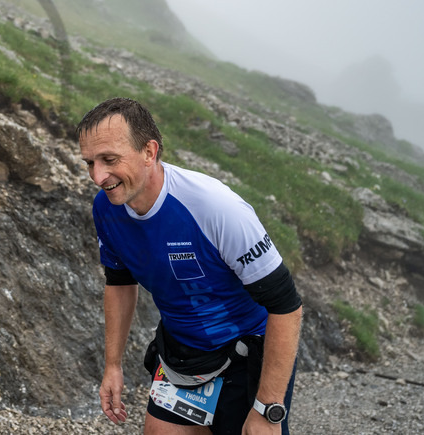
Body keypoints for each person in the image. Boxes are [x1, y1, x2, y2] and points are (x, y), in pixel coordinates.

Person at [76, 98, 303, 435]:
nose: (97, 176)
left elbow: (286, 306)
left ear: (149, 152)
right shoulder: (107, 208)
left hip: (247, 353)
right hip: (182, 352)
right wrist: (112, 365)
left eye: (109, 160)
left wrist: (268, 408)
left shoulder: (216, 208)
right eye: (89, 163)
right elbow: (120, 282)